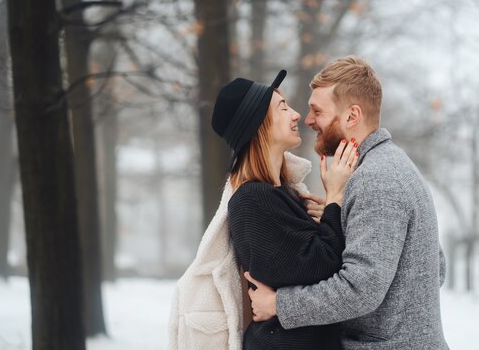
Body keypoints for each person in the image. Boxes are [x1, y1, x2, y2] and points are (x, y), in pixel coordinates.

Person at [245, 56, 449, 350]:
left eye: (318, 111)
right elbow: (435, 267)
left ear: (352, 116)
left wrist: (279, 304)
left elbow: (361, 288)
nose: (308, 119)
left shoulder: (376, 179)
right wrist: (339, 221)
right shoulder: (394, 164)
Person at [169, 70, 358, 350]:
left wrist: (330, 213)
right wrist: (335, 198)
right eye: (283, 108)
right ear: (259, 124)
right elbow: (325, 264)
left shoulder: (281, 195)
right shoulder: (252, 200)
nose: (296, 115)